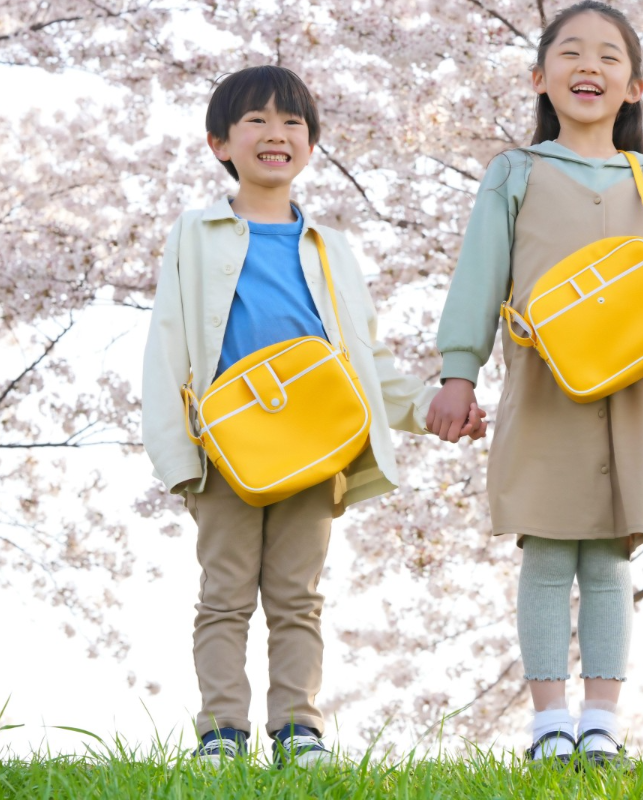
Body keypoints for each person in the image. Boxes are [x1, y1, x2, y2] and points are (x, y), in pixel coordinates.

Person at [142, 65, 485, 768]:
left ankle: (298, 730)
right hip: (229, 449)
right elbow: (168, 344)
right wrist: (178, 457)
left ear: (311, 144)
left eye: (293, 123)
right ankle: (222, 735)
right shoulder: (197, 233)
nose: (276, 135)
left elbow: (364, 362)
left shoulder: (331, 249)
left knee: (299, 596)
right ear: (219, 144)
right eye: (256, 122)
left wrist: (427, 406)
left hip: (314, 445)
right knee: (225, 594)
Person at [427, 0, 643, 767]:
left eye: (610, 56)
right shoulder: (515, 171)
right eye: (571, 52)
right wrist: (459, 371)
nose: (590, 66)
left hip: (626, 391)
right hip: (542, 385)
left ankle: (602, 723)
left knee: (612, 555)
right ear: (539, 76)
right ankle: (550, 721)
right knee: (548, 551)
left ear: (636, 87)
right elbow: (478, 275)